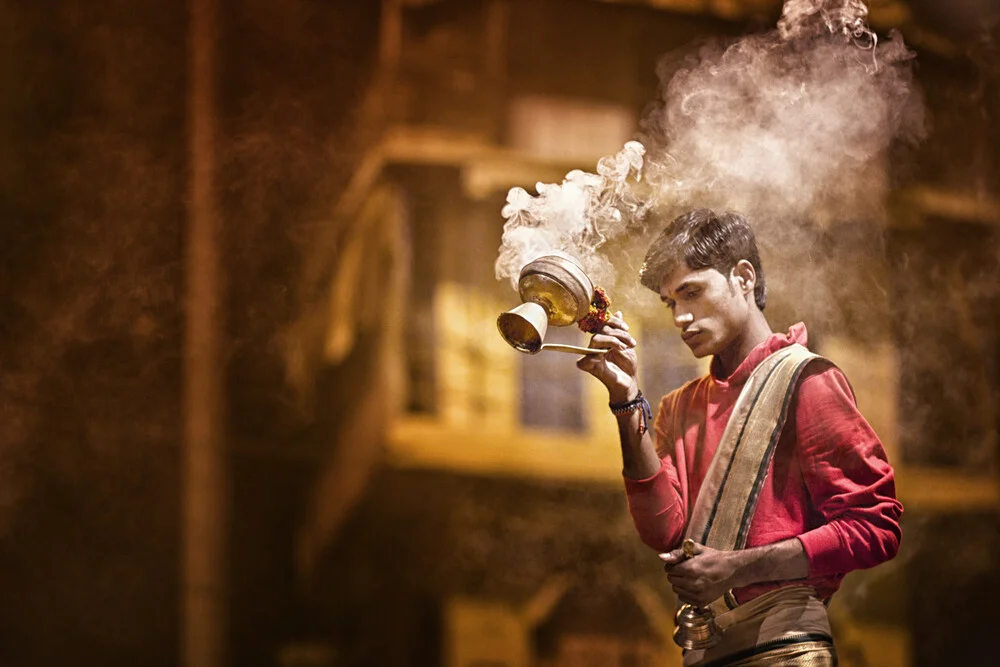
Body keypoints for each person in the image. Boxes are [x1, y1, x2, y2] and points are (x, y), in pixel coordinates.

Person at [576, 208, 902, 666]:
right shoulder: (677, 406)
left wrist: (738, 567)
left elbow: (876, 528)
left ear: (743, 277)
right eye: (671, 303)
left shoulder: (807, 381)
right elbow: (663, 532)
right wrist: (625, 396)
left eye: (692, 292)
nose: (680, 317)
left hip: (787, 651)